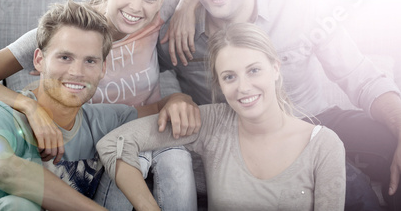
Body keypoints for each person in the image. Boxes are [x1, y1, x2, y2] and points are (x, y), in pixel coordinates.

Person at [158, 0, 401, 210]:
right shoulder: (170, 16)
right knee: (346, 184)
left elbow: (361, 76)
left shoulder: (300, 6)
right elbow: (149, 63)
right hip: (248, 141)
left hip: (315, 119)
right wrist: (174, 95)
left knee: (389, 144)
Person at [0, 0, 199, 210]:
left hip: (134, 131)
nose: (137, 6)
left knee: (175, 158)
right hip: (96, 143)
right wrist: (29, 106)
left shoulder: (159, 12)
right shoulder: (68, 31)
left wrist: (189, 3)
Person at [97, 22, 346, 210]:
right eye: (229, 77)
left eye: (254, 70)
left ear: (276, 68)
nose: (243, 87)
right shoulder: (211, 123)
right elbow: (114, 143)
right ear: (219, 84)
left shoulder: (324, 145)